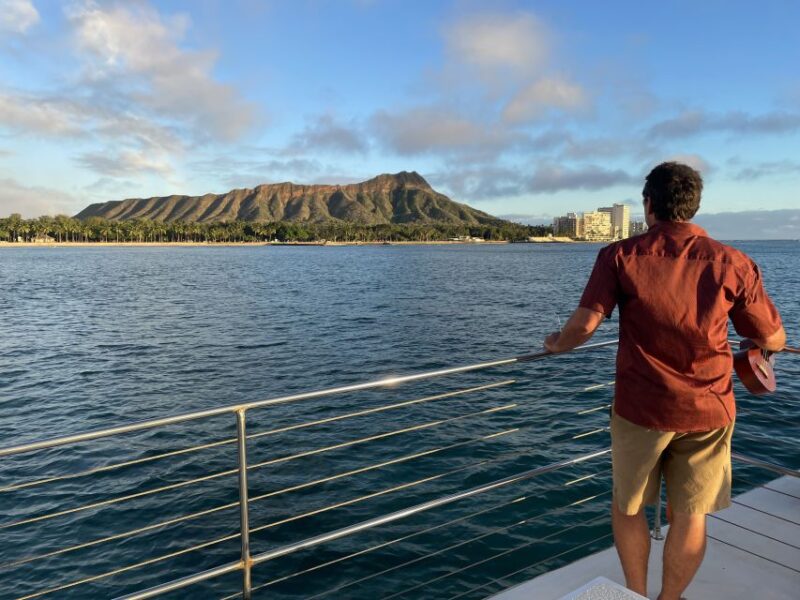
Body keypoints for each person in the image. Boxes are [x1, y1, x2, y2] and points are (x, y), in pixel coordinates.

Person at [543, 161, 785, 600]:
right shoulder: (734, 262)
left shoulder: (619, 255)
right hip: (709, 408)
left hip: (641, 408)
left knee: (629, 506)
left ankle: (635, 593)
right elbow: (771, 335)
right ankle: (669, 599)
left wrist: (557, 343)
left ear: (648, 204)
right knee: (692, 514)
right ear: (693, 206)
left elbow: (584, 326)